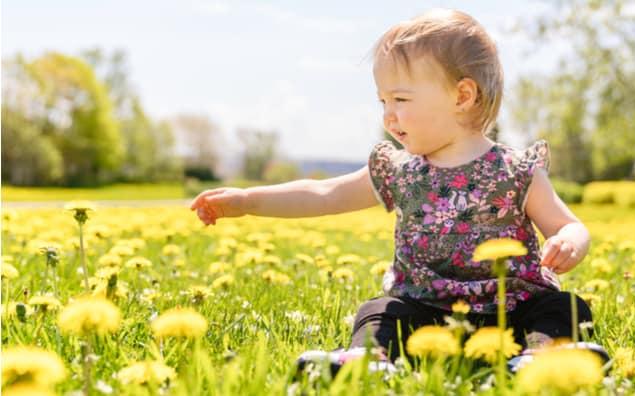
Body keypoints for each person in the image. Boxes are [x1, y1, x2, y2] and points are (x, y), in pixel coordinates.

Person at [190, 8, 607, 376]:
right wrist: (247, 201)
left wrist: (569, 241)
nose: (389, 116)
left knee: (563, 307)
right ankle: (370, 360)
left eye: (401, 99)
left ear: (462, 95)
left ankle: (543, 356)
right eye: (382, 101)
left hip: (512, 310)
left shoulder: (516, 172)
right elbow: (324, 193)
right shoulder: (400, 171)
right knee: (378, 311)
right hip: (425, 314)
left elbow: (568, 225)